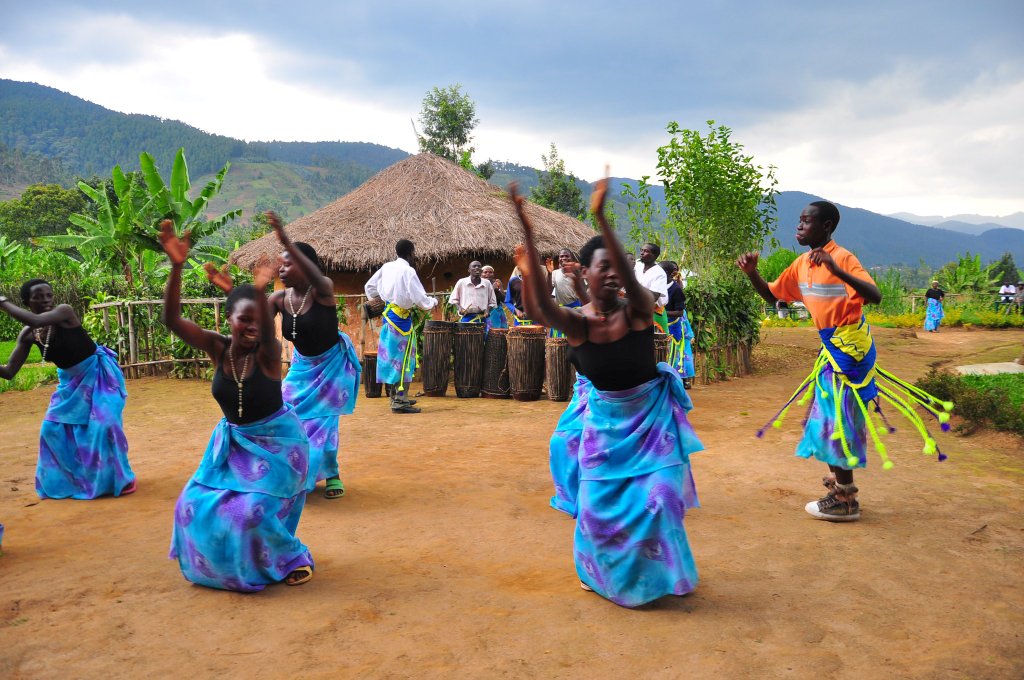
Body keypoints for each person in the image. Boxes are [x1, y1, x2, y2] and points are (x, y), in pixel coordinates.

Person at [511, 177, 702, 608]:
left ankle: (661, 574)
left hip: (652, 423)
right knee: (596, 513)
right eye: (605, 269)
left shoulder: (637, 312)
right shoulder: (579, 325)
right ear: (584, 273)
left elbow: (633, 286)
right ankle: (601, 574)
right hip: (604, 426)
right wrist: (525, 229)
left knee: (662, 499)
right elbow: (538, 308)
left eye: (620, 268)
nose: (615, 275)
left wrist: (601, 217)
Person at [737, 201, 952, 523]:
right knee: (827, 418)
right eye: (799, 220)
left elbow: (874, 296)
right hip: (832, 349)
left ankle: (845, 499)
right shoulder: (801, 264)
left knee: (836, 420)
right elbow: (774, 297)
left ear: (826, 227)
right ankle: (841, 488)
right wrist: (752, 274)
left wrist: (836, 271)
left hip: (850, 352)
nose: (799, 227)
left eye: (806, 221)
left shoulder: (843, 258)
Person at [161, 221, 314, 591]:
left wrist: (258, 290)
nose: (252, 327)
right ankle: (220, 564)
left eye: (258, 320)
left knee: (250, 512)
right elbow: (172, 319)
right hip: (231, 446)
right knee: (189, 504)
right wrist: (177, 267)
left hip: (279, 448)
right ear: (228, 319)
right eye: (243, 319)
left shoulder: (268, 353)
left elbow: (264, 320)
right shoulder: (217, 349)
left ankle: (292, 555)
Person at [0, 281, 135, 499]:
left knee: (105, 424)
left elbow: (33, 319)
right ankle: (72, 480)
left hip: (99, 374)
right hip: (70, 384)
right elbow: (9, 371)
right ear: (26, 302)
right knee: (51, 430)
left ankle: (120, 477)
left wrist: (3, 302)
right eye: (38, 297)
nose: (45, 300)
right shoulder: (28, 334)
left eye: (48, 295)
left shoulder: (64, 312)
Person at [266, 214, 360, 500]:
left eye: (289, 263)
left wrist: (285, 239)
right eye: (280, 265)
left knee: (324, 425)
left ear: (307, 267)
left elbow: (317, 277)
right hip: (302, 367)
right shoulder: (278, 300)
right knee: (285, 414)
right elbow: (259, 331)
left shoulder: (323, 290)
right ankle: (291, 471)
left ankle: (332, 473)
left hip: (332, 368)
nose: (282, 270)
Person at [364, 239, 438, 414]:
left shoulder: (386, 267)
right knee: (404, 360)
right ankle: (399, 401)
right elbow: (420, 298)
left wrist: (384, 299)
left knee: (394, 359)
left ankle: (399, 396)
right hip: (401, 321)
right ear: (411, 252)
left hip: (389, 317)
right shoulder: (408, 271)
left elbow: (370, 286)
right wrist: (432, 302)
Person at [660, 261, 696, 389]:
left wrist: (661, 312)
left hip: (673, 326)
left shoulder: (676, 289)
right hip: (658, 325)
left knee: (675, 354)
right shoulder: (656, 286)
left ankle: (678, 379)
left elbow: (680, 312)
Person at [547, 248, 587, 338]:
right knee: (559, 341)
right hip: (560, 311)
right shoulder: (554, 273)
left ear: (571, 258)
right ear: (558, 259)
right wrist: (549, 274)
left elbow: (583, 291)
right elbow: (549, 291)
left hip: (575, 309)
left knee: (573, 338)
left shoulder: (577, 272)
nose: (564, 258)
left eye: (566, 256)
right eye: (561, 256)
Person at [634, 242, 669, 333]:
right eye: (641, 250)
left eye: (646, 251)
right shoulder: (637, 265)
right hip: (634, 310)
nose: (642, 253)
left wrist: (636, 288)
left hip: (652, 312)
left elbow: (654, 296)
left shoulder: (659, 273)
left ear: (654, 255)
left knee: (655, 342)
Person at [481, 265, 507, 332]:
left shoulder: (497, 282)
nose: (488, 274)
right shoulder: (480, 283)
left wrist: (497, 291)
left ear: (493, 274)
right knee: (490, 331)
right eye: (485, 272)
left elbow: (504, 299)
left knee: (502, 331)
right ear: (481, 274)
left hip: (498, 310)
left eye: (490, 272)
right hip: (487, 311)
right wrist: (493, 289)